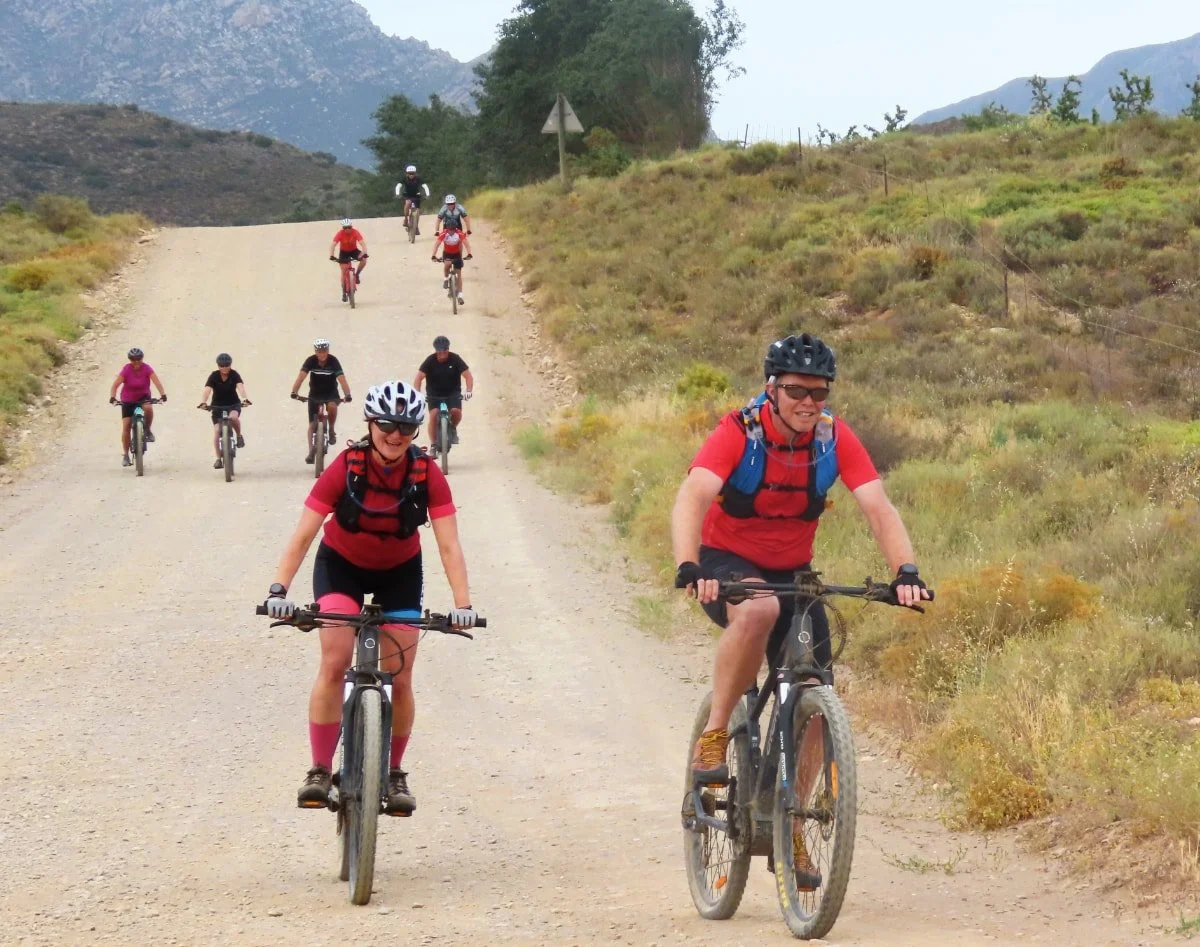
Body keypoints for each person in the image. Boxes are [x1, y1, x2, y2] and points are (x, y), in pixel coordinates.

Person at [670, 332, 930, 889]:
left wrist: (906, 572)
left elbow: (878, 505)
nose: (808, 402)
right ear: (772, 388)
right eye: (796, 391)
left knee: (816, 691)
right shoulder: (738, 432)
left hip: (794, 574)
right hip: (727, 561)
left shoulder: (833, 438)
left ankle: (792, 818)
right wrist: (690, 566)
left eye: (819, 391)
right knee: (758, 611)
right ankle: (716, 732)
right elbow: (692, 495)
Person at [264, 380, 478, 814]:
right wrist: (278, 590)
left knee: (400, 674)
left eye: (406, 427)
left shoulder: (427, 474)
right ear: (370, 423)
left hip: (400, 572)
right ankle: (321, 768)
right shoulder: (345, 466)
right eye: (386, 424)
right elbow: (304, 533)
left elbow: (449, 544)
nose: (395, 434)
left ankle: (394, 771)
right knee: (334, 658)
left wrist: (463, 606)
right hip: (340, 565)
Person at [290, 339, 353, 463]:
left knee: (333, 407)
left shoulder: (333, 361)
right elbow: (301, 378)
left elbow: (342, 380)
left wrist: (347, 394)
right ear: (315, 352)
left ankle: (331, 430)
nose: (322, 354)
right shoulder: (310, 361)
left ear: (328, 351)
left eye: (324, 351)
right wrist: (294, 392)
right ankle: (310, 452)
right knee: (311, 425)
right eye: (319, 351)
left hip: (331, 393)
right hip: (315, 393)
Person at [413, 336, 473, 457]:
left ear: (448, 349)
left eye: (445, 351)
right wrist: (418, 393)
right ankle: (434, 445)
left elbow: (468, 376)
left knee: (456, 411)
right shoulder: (430, 361)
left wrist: (468, 391)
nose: (442, 354)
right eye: (440, 352)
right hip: (434, 394)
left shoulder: (455, 359)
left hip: (453, 393)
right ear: (436, 351)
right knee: (434, 414)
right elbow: (419, 377)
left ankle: (451, 429)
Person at [108, 347, 167, 467]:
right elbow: (115, 386)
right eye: (133, 360)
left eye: (139, 359)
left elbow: (157, 382)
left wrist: (163, 394)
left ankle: (147, 430)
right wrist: (113, 397)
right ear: (130, 360)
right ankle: (125, 455)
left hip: (142, 399)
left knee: (148, 408)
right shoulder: (126, 370)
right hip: (128, 400)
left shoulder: (147, 368)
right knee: (126, 426)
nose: (136, 362)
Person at [198, 353, 251, 469]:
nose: (224, 368)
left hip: (233, 404)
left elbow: (240, 386)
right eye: (222, 365)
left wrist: (244, 399)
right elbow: (207, 389)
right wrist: (203, 402)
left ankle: (239, 436)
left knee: (234, 418)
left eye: (227, 365)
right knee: (217, 430)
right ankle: (218, 459)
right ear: (218, 366)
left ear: (230, 365)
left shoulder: (234, 374)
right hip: (217, 406)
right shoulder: (214, 376)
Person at [431, 224, 473, 307]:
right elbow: (437, 244)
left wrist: (469, 253)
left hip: (457, 254)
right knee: (447, 264)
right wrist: (433, 255)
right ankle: (446, 278)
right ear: (447, 229)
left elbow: (466, 244)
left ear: (455, 229)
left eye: (453, 229)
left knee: (459, 274)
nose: (451, 231)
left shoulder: (459, 233)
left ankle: (460, 295)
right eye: (450, 229)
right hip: (447, 254)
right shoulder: (443, 234)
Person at [328, 218, 369, 300]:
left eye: (349, 227)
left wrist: (364, 253)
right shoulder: (340, 234)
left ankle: (357, 275)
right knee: (343, 271)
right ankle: (343, 291)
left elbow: (362, 244)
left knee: (364, 260)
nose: (347, 229)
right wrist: (332, 255)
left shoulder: (355, 232)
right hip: (343, 252)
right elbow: (333, 245)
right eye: (345, 228)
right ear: (342, 228)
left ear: (351, 227)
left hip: (354, 251)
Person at [394, 166, 431, 234]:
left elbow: (425, 186)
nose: (411, 175)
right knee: (407, 203)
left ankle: (416, 226)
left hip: (416, 195)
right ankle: (406, 219)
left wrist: (427, 194)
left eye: (412, 173)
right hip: (407, 195)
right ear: (407, 174)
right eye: (409, 173)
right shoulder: (404, 179)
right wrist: (397, 193)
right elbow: (398, 186)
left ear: (415, 173)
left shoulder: (418, 179)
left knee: (418, 212)